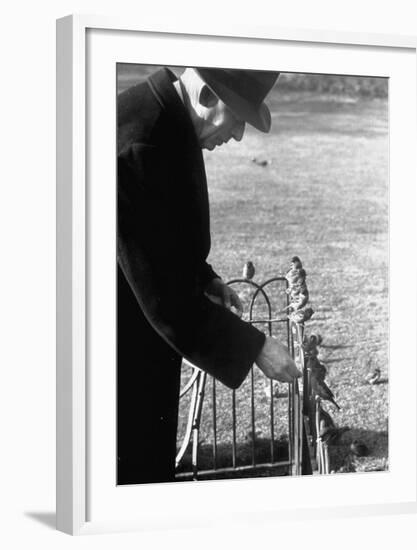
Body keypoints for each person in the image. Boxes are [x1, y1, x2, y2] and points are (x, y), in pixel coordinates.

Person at [117, 66, 301, 484]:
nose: (237, 136)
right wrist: (255, 347)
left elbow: (158, 236)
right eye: (237, 119)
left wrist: (203, 278)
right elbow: (160, 295)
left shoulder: (167, 123)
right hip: (113, 366)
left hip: (138, 347)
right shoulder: (139, 141)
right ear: (205, 97)